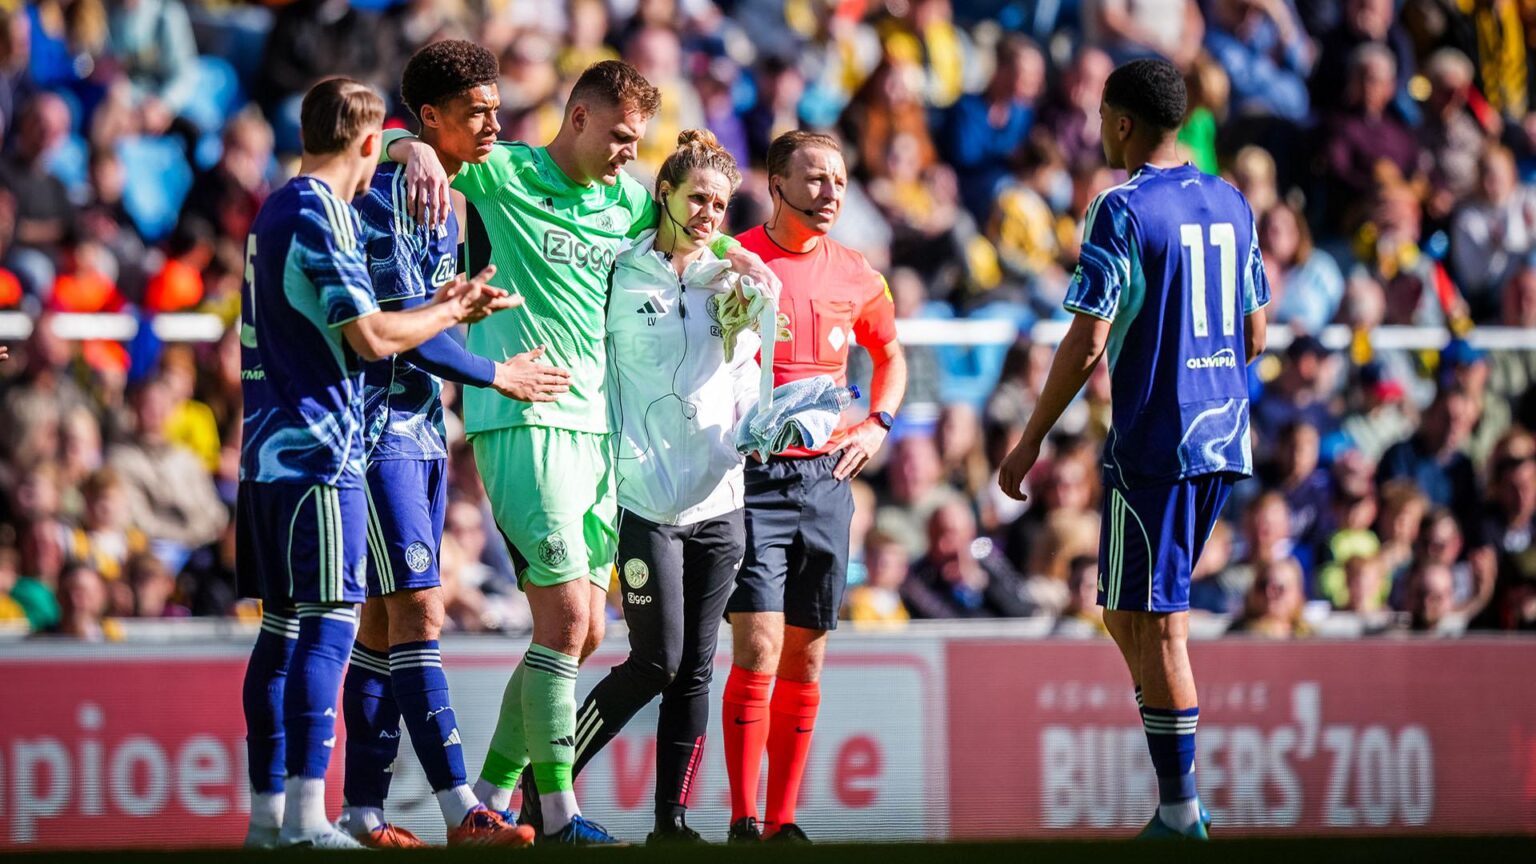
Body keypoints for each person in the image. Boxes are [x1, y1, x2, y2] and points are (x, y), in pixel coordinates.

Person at [384, 60, 777, 846]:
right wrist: (408, 148)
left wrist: (738, 256)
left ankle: (489, 800)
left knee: (585, 632)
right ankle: (558, 818)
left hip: (603, 440)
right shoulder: (513, 172)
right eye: (622, 137)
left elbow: (690, 229)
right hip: (523, 421)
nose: (631, 152)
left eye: (640, 141)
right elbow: (416, 138)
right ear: (579, 119)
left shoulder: (629, 203)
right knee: (566, 619)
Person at [999, 59, 1269, 840]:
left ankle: (1181, 812)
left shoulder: (1120, 207)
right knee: (1126, 611)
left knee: (1158, 623)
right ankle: (1177, 791)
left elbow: (1086, 341)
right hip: (1223, 433)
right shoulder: (1233, 199)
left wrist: (1031, 439)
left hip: (1158, 440)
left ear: (1120, 122)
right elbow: (1254, 331)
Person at [236, 78, 506, 851]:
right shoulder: (321, 213)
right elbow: (373, 337)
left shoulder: (273, 208)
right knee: (330, 626)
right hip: (321, 450)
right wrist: (455, 310)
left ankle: (270, 821)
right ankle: (312, 819)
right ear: (366, 145)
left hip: (268, 451)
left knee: (286, 630)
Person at [336, 41, 566, 850]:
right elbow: (405, 332)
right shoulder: (392, 190)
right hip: (375, 429)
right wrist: (496, 374)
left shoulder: (449, 189)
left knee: (379, 624)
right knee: (419, 613)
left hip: (421, 428)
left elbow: (442, 305)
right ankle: (461, 811)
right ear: (430, 118)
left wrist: (473, 296)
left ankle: (363, 813)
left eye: (496, 105)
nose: (495, 123)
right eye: (477, 111)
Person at [524, 130, 757, 844]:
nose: (713, 212)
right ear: (666, 195)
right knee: (656, 660)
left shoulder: (735, 278)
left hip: (721, 501)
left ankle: (672, 823)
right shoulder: (622, 271)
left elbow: (749, 377)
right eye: (700, 198)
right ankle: (543, 787)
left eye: (722, 202)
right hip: (643, 501)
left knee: (696, 669)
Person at [722, 129, 908, 844]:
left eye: (839, 180)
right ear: (776, 184)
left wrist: (878, 425)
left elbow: (890, 353)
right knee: (760, 646)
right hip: (753, 477)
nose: (832, 193)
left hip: (828, 477)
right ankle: (743, 817)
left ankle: (783, 821)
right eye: (815, 180)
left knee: (806, 652)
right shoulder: (733, 259)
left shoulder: (859, 272)